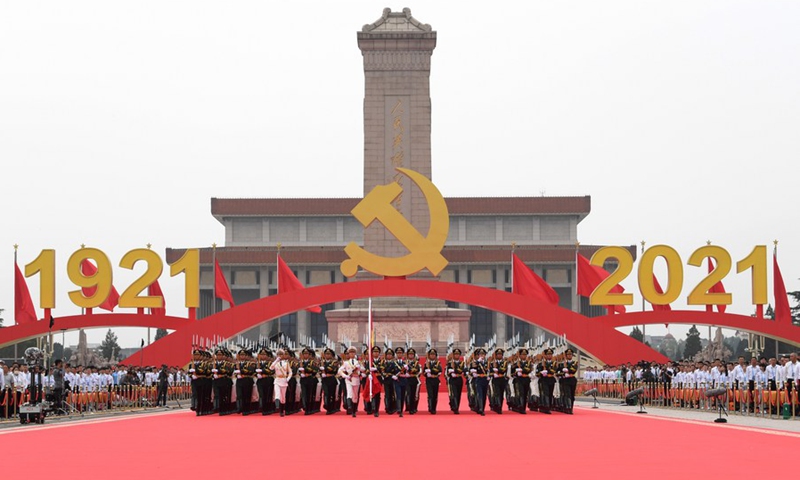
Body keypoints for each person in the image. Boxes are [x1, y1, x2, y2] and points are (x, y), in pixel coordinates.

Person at [337, 346, 362, 417]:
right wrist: (345, 376)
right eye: (350, 353)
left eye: (353, 353)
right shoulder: (346, 363)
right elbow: (339, 371)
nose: (352, 354)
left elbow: (362, 370)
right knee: (349, 393)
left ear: (355, 353)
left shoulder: (358, 362)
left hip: (356, 379)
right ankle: (349, 407)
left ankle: (354, 411)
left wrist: (359, 371)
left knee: (355, 396)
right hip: (349, 380)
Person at [387, 346, 408, 417]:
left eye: (400, 353)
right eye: (398, 353)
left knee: (402, 396)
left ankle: (401, 409)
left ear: (402, 354)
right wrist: (392, 376)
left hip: (404, 381)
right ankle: (399, 409)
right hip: (397, 381)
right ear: (396, 354)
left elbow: (410, 372)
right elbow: (388, 372)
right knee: (398, 395)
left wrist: (408, 370)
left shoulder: (405, 363)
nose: (399, 354)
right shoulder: (393, 363)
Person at [235, 349, 257, 415]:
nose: (241, 356)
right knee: (239, 395)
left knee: (246, 396)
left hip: (247, 380)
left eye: (243, 355)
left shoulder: (250, 363)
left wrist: (239, 371)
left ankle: (246, 409)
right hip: (239, 381)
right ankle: (240, 408)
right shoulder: (237, 363)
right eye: (240, 355)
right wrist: (237, 373)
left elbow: (250, 371)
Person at [271, 348, 293, 417]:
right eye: (278, 354)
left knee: (283, 398)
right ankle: (277, 405)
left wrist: (288, 378)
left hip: (284, 380)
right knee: (277, 394)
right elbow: (271, 368)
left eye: (281, 354)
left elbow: (290, 372)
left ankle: (282, 411)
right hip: (277, 380)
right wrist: (276, 360)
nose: (280, 356)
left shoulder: (286, 363)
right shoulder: (275, 363)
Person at [362, 345, 383, 417]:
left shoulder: (382, 361)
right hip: (371, 378)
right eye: (374, 352)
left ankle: (376, 410)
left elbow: (383, 368)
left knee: (377, 394)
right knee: (370, 392)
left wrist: (376, 369)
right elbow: (367, 369)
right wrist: (368, 374)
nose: (376, 353)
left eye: (377, 352)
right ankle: (369, 408)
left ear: (379, 353)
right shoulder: (370, 361)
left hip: (378, 378)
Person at [510, 348, 533, 414]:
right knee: (521, 394)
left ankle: (523, 407)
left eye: (525, 354)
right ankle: (521, 408)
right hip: (519, 380)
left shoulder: (529, 363)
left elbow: (529, 370)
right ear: (519, 355)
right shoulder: (515, 364)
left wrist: (522, 369)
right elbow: (512, 374)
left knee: (525, 394)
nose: (524, 356)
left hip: (526, 380)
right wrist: (516, 372)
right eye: (522, 354)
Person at [298, 347, 319, 415]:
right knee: (304, 394)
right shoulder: (301, 362)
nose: (305, 355)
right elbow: (297, 370)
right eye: (304, 354)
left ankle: (310, 409)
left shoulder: (313, 362)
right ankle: (305, 407)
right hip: (303, 380)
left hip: (310, 380)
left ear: (310, 355)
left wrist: (306, 372)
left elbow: (314, 370)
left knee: (310, 395)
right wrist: (301, 374)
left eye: (307, 354)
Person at [468, 348, 489, 416]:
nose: (482, 355)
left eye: (483, 354)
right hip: (479, 379)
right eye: (480, 354)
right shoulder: (476, 362)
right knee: (479, 394)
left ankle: (482, 407)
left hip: (485, 380)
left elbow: (490, 370)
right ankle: (481, 409)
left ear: (485, 355)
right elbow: (472, 368)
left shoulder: (487, 362)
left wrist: (489, 376)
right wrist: (478, 361)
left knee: (484, 395)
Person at [536, 348, 557, 414]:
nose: (549, 356)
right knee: (546, 394)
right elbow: (537, 373)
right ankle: (546, 407)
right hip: (543, 380)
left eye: (550, 354)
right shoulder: (540, 364)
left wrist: (547, 371)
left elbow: (554, 370)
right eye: (548, 354)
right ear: (545, 355)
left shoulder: (554, 363)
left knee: (550, 394)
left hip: (551, 380)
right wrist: (541, 372)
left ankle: (549, 406)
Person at [557, 348, 578, 414]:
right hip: (565, 380)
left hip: (572, 380)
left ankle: (571, 407)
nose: (569, 356)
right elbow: (557, 372)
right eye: (568, 355)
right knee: (567, 394)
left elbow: (573, 370)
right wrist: (563, 373)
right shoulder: (561, 364)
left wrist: (567, 369)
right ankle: (567, 408)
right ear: (566, 356)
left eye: (570, 354)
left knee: (572, 395)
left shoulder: (574, 363)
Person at [256, 348, 276, 415]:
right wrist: (257, 374)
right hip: (260, 380)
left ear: (268, 356)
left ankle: (268, 409)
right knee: (262, 395)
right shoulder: (257, 363)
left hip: (268, 380)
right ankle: (264, 408)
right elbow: (253, 371)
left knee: (268, 395)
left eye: (264, 354)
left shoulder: (271, 363)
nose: (262, 356)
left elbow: (271, 371)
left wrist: (262, 371)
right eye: (261, 354)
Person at [320, 348, 340, 415]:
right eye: (326, 354)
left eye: (328, 354)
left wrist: (324, 368)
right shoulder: (322, 362)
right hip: (324, 380)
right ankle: (327, 406)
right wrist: (321, 372)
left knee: (332, 394)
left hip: (331, 379)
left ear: (332, 355)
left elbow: (333, 369)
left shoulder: (334, 362)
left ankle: (332, 408)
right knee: (326, 393)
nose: (327, 355)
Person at [488, 348, 508, 414]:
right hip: (495, 380)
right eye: (498, 354)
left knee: (501, 394)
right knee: (497, 393)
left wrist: (497, 370)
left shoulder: (504, 362)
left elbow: (504, 370)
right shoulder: (492, 363)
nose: (499, 356)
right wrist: (493, 374)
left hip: (502, 380)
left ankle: (500, 406)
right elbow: (490, 372)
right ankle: (498, 406)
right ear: (496, 355)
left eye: (500, 354)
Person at [446, 348, 465, 414]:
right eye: (455, 354)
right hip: (452, 380)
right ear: (453, 355)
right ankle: (455, 407)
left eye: (458, 354)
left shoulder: (462, 363)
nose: (457, 356)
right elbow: (447, 372)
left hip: (459, 379)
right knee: (454, 393)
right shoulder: (449, 363)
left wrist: (454, 370)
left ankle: (456, 406)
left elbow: (461, 370)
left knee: (458, 394)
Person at [379, 348, 397, 414]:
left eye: (390, 354)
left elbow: (396, 371)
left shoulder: (395, 363)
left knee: (393, 394)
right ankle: (387, 407)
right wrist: (383, 375)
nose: (389, 356)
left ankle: (393, 407)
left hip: (393, 380)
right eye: (388, 354)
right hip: (386, 380)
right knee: (387, 394)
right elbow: (381, 370)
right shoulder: (383, 363)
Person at [405, 348, 422, 414]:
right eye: (410, 354)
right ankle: (408, 407)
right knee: (407, 394)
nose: (411, 356)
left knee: (414, 395)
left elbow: (418, 371)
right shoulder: (405, 362)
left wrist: (411, 373)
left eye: (412, 354)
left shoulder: (416, 363)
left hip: (414, 380)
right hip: (406, 380)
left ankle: (413, 408)